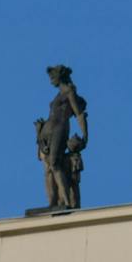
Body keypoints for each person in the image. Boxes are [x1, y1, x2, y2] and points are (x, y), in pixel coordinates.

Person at [38, 64, 88, 210]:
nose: (51, 80)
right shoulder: (59, 94)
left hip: (60, 130)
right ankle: (53, 202)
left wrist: (85, 135)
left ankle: (66, 202)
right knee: (48, 168)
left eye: (53, 77)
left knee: (55, 163)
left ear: (60, 76)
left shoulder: (68, 91)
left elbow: (78, 113)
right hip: (49, 132)